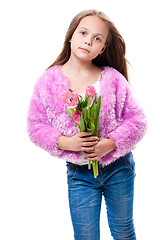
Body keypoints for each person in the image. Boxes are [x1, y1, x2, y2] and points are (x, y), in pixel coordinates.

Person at [27, 9, 147, 240]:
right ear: (71, 35)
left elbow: (138, 120)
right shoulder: (48, 81)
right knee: (85, 235)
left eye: (97, 38)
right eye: (83, 32)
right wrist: (66, 142)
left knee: (123, 231)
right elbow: (35, 126)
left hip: (118, 168)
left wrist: (111, 144)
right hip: (79, 173)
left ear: (102, 49)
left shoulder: (112, 78)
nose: (88, 41)